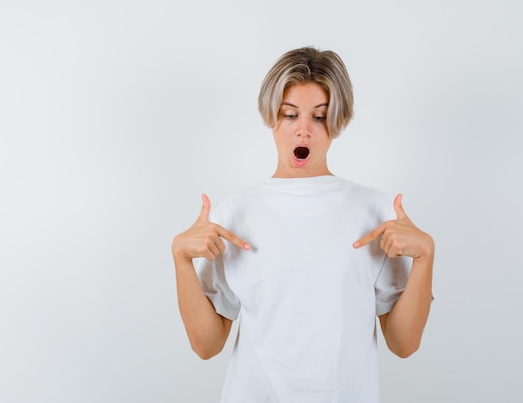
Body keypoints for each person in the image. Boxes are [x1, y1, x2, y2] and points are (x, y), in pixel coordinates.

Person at [171, 47, 434, 403]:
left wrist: (425, 257)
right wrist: (181, 259)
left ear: (337, 122)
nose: (304, 131)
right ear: (272, 118)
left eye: (320, 117)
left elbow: (403, 344)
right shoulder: (234, 215)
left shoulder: (374, 212)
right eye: (290, 115)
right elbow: (206, 345)